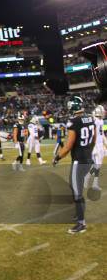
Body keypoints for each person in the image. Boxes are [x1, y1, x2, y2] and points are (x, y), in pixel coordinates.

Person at [53, 96, 95, 234]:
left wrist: (57, 157)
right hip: (88, 158)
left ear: (72, 107)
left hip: (79, 160)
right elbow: (93, 139)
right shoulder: (90, 118)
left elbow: (68, 146)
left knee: (77, 191)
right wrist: (88, 151)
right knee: (74, 186)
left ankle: (81, 223)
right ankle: (79, 214)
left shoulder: (73, 121)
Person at [85, 105, 106, 191]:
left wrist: (105, 142)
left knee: (95, 166)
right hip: (96, 146)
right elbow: (93, 134)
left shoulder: (100, 121)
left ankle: (86, 179)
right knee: (97, 166)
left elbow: (102, 134)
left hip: (99, 145)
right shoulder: (96, 121)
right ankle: (94, 184)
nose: (104, 112)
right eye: (103, 111)